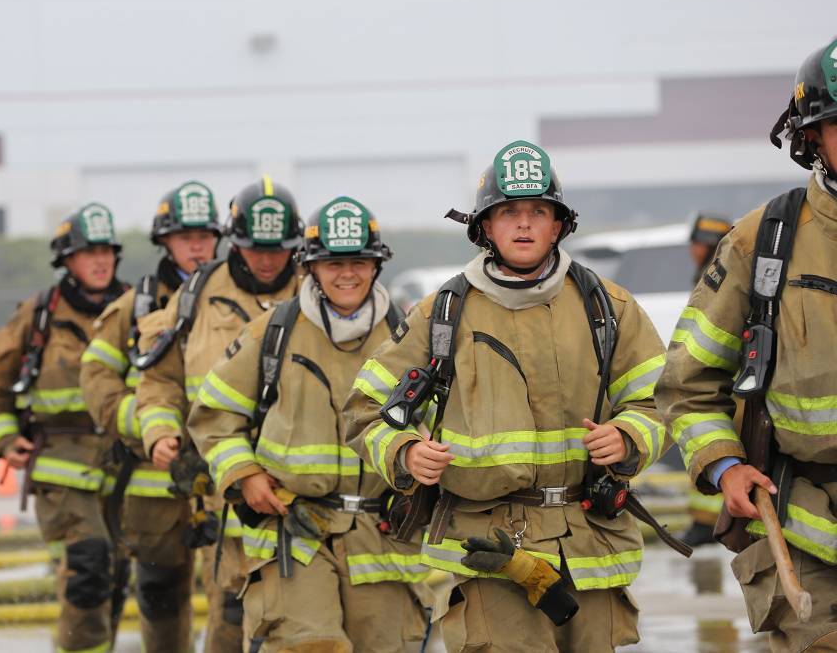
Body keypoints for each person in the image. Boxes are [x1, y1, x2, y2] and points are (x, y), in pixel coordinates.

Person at [343, 141, 673, 652]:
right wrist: (404, 452)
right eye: (509, 212)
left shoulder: (609, 308)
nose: (524, 224)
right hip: (490, 548)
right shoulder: (442, 314)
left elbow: (663, 401)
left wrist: (629, 436)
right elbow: (365, 409)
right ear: (485, 228)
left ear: (558, 225)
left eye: (538, 211)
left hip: (590, 546)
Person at [656, 39, 837, 652]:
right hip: (802, 527)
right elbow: (686, 384)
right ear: (811, 137)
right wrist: (726, 466)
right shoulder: (762, 243)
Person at [187, 197, 430, 651]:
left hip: (383, 538)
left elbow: (440, 420)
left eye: (359, 262)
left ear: (376, 265)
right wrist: (244, 474)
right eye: (334, 263)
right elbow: (213, 415)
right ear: (311, 267)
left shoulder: (410, 337)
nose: (347, 274)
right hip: (293, 532)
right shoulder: (271, 333)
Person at [135, 176, 302, 652]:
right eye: (255, 248)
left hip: (304, 489)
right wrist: (160, 431)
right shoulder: (197, 294)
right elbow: (160, 378)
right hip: (225, 489)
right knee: (232, 614)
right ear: (234, 241)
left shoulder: (318, 288)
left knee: (300, 619)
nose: (267, 260)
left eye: (279, 249)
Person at [0, 203, 128, 653]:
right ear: (67, 260)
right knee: (87, 568)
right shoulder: (39, 315)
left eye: (106, 251)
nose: (100, 261)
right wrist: (4, 438)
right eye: (88, 252)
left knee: (116, 576)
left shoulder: (137, 308)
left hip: (124, 466)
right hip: (61, 467)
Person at [80, 181, 221, 652]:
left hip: (226, 472)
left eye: (204, 236)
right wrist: (144, 423)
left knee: (234, 594)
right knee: (161, 595)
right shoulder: (137, 305)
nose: (196, 246)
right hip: (154, 481)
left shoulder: (232, 297)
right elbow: (96, 375)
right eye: (185, 237)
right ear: (165, 241)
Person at [680, 214, 733, 547]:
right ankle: (706, 522)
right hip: (713, 376)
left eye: (699, 244)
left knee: (713, 444)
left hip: (721, 381)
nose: (694, 250)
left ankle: (709, 524)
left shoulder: (719, 277)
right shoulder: (714, 273)